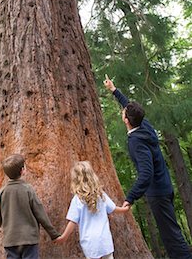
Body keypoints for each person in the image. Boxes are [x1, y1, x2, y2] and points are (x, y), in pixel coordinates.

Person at [104, 75, 192, 259]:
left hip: (158, 193)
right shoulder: (144, 126)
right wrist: (114, 90)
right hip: (164, 186)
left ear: (126, 120)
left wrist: (130, 197)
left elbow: (146, 173)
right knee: (172, 234)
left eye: (124, 112)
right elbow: (129, 106)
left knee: (172, 239)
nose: (123, 112)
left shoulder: (137, 141)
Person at [55, 161, 129, 259]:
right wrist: (125, 209)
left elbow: (72, 221)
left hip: (90, 243)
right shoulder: (101, 195)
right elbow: (114, 209)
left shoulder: (78, 199)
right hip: (105, 240)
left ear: (75, 180)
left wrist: (63, 237)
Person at [0, 153, 60, 259]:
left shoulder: (2, 192)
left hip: (10, 240)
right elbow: (40, 214)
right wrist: (53, 234)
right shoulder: (28, 189)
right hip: (29, 238)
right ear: (22, 171)